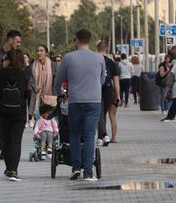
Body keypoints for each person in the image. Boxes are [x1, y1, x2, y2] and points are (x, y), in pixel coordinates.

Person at [53, 29, 106, 181]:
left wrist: (60, 93)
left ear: (76, 40)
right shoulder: (99, 58)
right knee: (89, 135)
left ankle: (76, 167)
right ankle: (88, 172)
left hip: (75, 101)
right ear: (89, 40)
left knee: (74, 134)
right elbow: (102, 79)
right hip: (94, 101)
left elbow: (59, 80)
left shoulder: (68, 58)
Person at [0, 49, 30, 181]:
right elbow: (27, 93)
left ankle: (9, 168)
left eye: (5, 59)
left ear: (9, 60)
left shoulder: (1, 74)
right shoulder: (24, 74)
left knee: (6, 140)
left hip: (3, 111)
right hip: (19, 112)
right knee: (16, 141)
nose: (3, 61)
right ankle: (14, 170)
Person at [0, 30, 23, 152]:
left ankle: (6, 144)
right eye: (17, 41)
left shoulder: (17, 55)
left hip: (12, 93)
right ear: (10, 40)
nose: (18, 44)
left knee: (10, 119)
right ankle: (0, 144)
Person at [96, 42, 120, 145]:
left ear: (97, 50)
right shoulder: (112, 63)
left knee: (100, 114)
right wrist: (118, 95)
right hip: (110, 91)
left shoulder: (95, 61)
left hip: (97, 89)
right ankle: (113, 138)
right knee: (112, 116)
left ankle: (102, 136)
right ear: (106, 50)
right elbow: (116, 81)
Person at [28, 44, 57, 126]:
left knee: (50, 123)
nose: (39, 53)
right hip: (37, 97)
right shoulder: (32, 66)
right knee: (39, 123)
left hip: (50, 97)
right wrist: (35, 87)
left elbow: (57, 80)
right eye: (37, 51)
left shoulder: (53, 65)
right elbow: (31, 81)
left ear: (46, 53)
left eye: (41, 51)